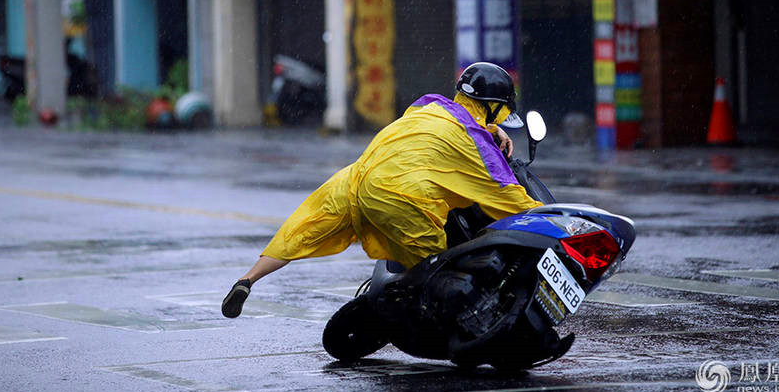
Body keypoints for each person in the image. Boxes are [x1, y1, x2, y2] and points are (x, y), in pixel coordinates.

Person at [222, 62, 544, 318]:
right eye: (498, 113)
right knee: (436, 268)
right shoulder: (476, 145)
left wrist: (490, 128)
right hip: (400, 195)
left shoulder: (429, 106)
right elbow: (508, 196)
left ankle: (247, 279)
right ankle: (440, 324)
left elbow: (462, 123)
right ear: (491, 106)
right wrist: (556, 223)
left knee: (302, 231)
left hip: (355, 180)